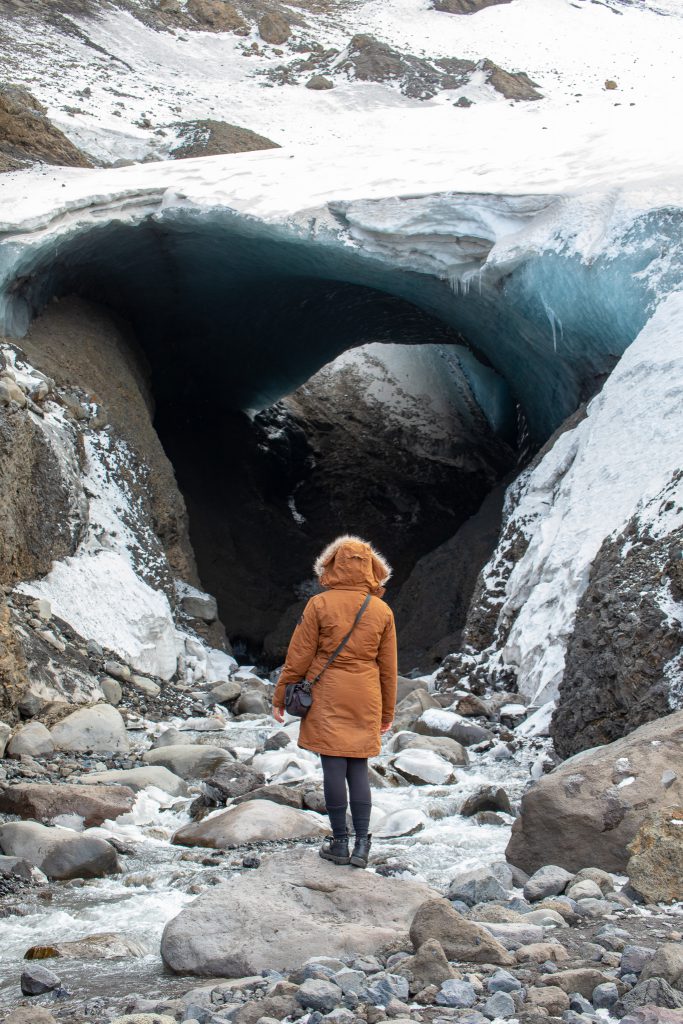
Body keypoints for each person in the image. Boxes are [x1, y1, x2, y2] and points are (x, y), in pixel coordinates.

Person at [272, 535, 398, 869]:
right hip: (366, 695)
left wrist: (280, 695)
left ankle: (339, 843)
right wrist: (387, 712)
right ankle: (362, 846)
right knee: (358, 766)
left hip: (327, 692)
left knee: (333, 766)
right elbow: (388, 668)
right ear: (372, 570)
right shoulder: (382, 610)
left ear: (334, 566)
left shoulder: (319, 605)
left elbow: (299, 656)